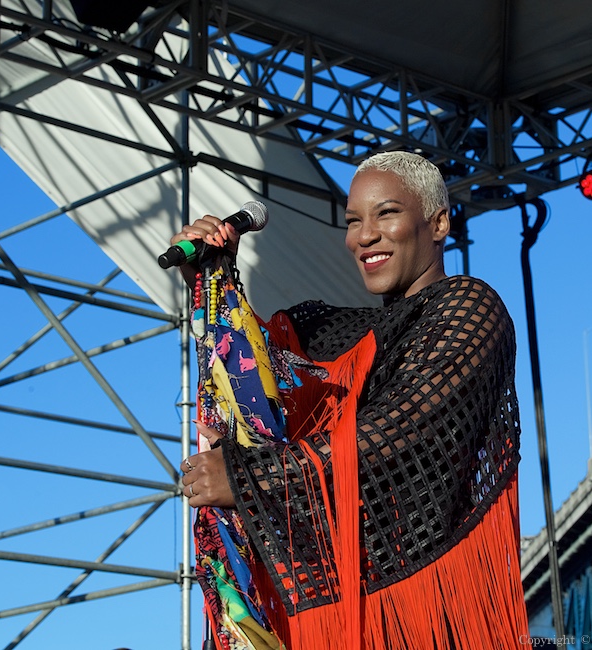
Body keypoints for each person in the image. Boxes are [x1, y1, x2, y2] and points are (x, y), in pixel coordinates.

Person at [172, 151, 530, 650]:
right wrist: (215, 281)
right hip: (329, 616)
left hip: (418, 613)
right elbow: (250, 393)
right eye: (353, 221)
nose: (364, 236)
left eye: (386, 214)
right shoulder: (326, 328)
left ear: (439, 222)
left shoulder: (470, 307)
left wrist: (250, 477)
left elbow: (401, 428)